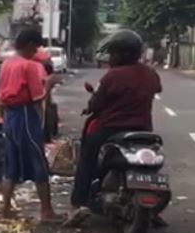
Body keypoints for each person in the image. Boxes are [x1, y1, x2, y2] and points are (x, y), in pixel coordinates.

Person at [69, 30, 162, 222]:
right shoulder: (150, 73)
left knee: (86, 159)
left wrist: (90, 107)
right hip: (143, 129)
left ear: (120, 54)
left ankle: (79, 203)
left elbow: (97, 103)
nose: (111, 57)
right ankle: (154, 211)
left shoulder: (113, 76)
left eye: (113, 53)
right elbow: (157, 88)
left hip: (111, 129)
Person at [0, 28, 60, 222]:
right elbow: (37, 97)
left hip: (9, 116)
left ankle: (5, 209)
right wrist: (49, 83)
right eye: (36, 47)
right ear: (31, 45)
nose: (37, 51)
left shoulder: (7, 63)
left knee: (11, 163)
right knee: (38, 160)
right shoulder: (29, 66)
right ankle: (47, 211)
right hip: (24, 115)